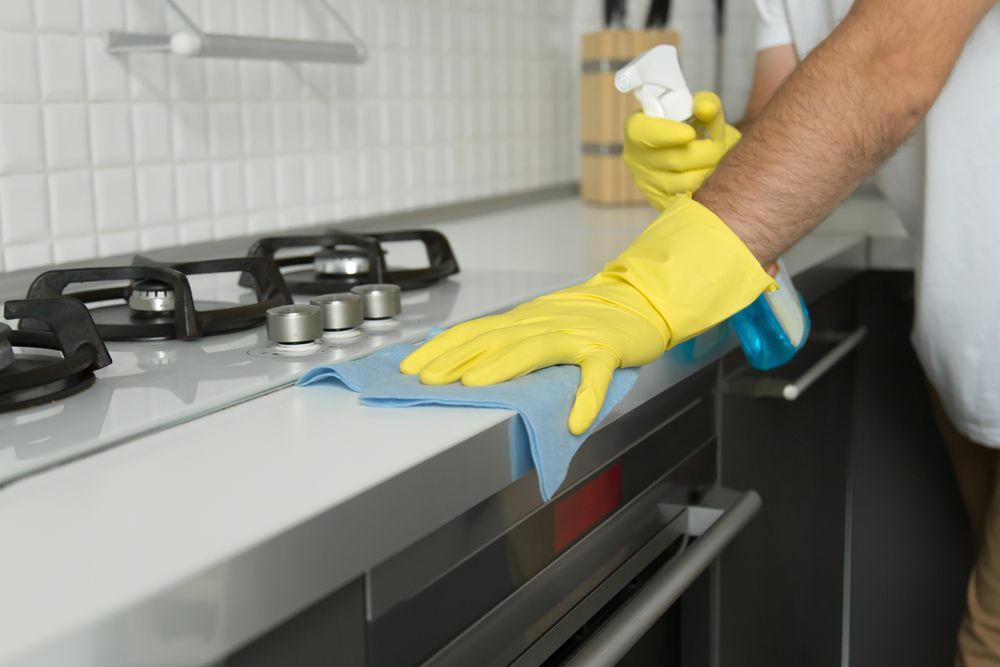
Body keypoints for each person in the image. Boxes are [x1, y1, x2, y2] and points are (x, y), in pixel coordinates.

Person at [401, 0, 1000, 662]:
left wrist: (658, 283)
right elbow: (787, 114)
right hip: (969, 338)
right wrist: (715, 155)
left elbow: (889, 61)